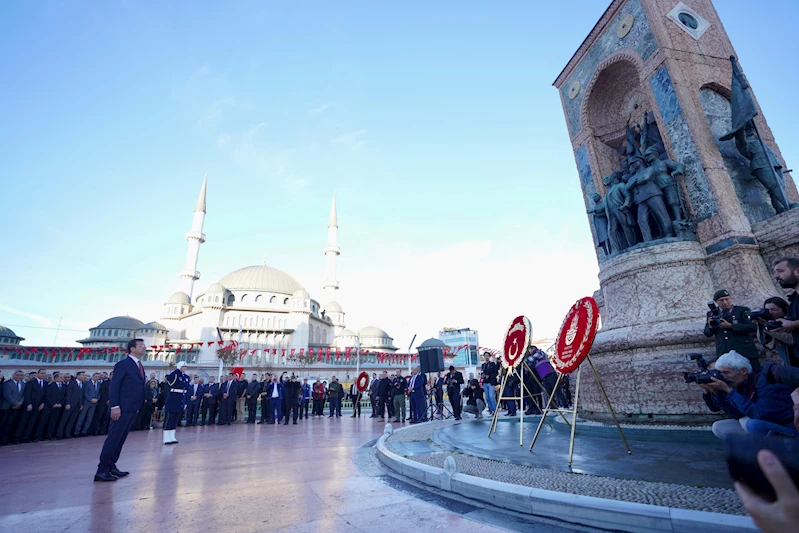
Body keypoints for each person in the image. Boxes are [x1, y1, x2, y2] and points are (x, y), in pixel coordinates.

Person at [700, 351, 797, 439]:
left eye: (726, 372)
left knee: (752, 424)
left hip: (789, 428)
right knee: (719, 427)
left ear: (743, 371)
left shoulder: (765, 382)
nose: (723, 377)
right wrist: (715, 392)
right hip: (769, 424)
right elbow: (736, 414)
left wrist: (729, 392)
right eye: (720, 373)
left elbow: (760, 414)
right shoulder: (741, 384)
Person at [95, 338, 146, 482]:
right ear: (132, 349)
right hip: (122, 408)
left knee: (121, 439)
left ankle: (112, 465)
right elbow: (114, 386)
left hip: (132, 408)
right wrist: (115, 406)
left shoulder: (139, 365)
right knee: (113, 438)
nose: (144, 348)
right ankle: (102, 470)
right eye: (141, 346)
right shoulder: (123, 364)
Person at [703, 289, 760, 371]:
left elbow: (753, 327)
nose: (725, 302)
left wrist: (731, 326)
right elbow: (707, 333)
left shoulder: (741, 310)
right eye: (721, 300)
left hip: (743, 350)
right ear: (716, 302)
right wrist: (711, 326)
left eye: (727, 299)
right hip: (724, 351)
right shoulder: (712, 314)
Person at [753, 297, 798, 367]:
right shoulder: (771, 323)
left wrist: (767, 327)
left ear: (784, 309)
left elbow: (791, 339)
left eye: (773, 310)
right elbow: (765, 341)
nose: (770, 313)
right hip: (790, 363)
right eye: (767, 310)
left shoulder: (792, 321)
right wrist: (761, 324)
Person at [163, 361, 189, 445]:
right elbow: (169, 379)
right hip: (174, 397)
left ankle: (172, 436)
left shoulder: (186, 377)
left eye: (185, 367)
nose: (184, 368)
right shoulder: (175, 374)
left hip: (181, 398)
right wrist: (177, 370)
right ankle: (166, 437)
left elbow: (187, 388)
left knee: (176, 419)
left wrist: (185, 402)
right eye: (183, 367)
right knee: (170, 418)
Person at [0, 370, 25, 445]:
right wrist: (15, 403)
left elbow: (23, 394)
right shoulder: (7, 384)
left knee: (12, 423)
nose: (19, 376)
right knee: (3, 424)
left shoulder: (23, 384)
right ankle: (2, 440)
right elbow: (6, 394)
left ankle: (9, 439)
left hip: (17, 407)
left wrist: (20, 403)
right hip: (6, 407)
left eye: (21, 375)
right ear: (13, 375)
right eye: (17, 375)